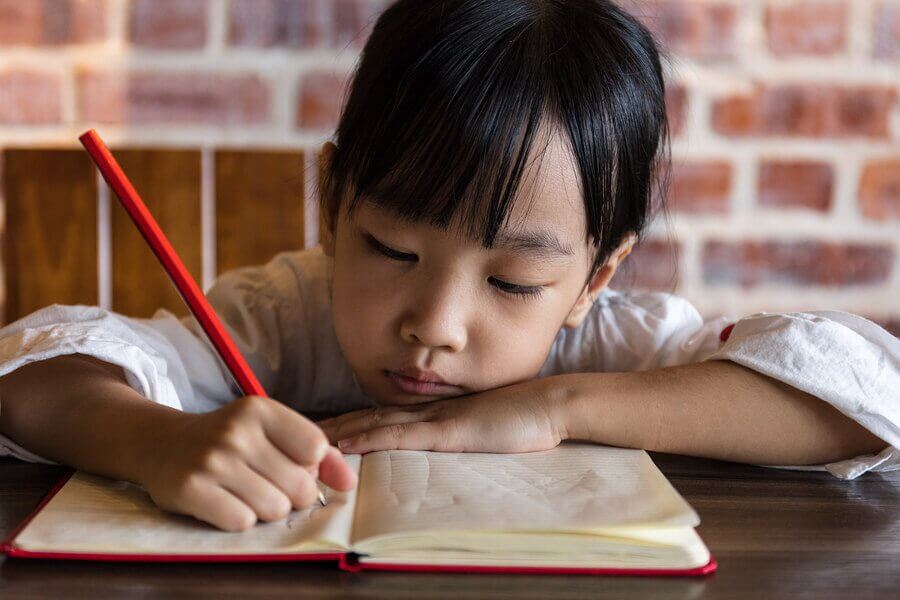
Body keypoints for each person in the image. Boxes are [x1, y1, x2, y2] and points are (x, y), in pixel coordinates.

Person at [1, 0, 897, 534]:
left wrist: (553, 408)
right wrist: (157, 441)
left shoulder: (622, 346)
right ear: (330, 203)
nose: (434, 322)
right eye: (391, 249)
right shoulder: (283, 317)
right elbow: (32, 375)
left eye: (513, 282)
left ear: (594, 280)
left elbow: (860, 399)